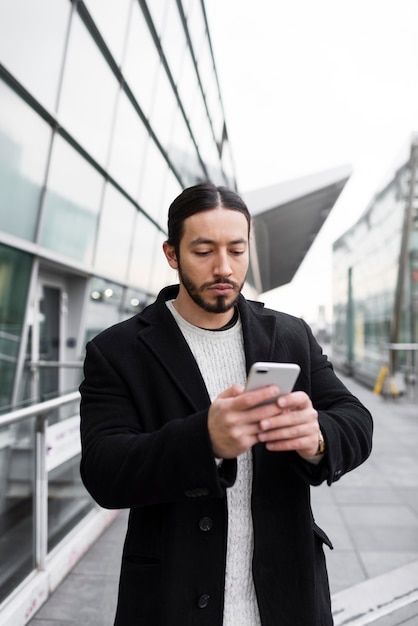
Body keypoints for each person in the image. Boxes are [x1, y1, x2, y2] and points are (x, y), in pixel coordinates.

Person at [79, 182, 373, 625]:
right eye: (203, 251)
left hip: (287, 600)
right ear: (172, 254)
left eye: (237, 250)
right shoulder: (118, 349)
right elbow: (104, 471)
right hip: (170, 601)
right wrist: (204, 441)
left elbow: (356, 420)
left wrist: (318, 439)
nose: (223, 267)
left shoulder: (289, 334)